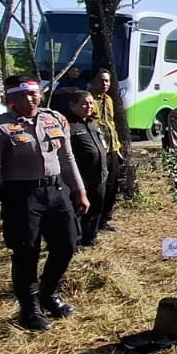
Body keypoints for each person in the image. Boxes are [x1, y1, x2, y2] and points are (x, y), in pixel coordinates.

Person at [0, 77, 89, 331]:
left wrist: (79, 190)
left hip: (56, 190)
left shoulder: (54, 119)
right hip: (21, 195)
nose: (32, 99)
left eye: (35, 93)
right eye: (25, 95)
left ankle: (48, 293)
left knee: (68, 244)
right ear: (12, 99)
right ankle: (29, 309)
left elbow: (67, 157)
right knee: (27, 252)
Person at [56, 90, 109, 248]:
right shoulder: (68, 125)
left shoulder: (93, 123)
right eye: (84, 103)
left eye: (91, 103)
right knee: (78, 211)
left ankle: (90, 238)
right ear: (72, 105)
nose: (89, 106)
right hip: (80, 178)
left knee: (96, 208)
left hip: (99, 175)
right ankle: (75, 240)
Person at [89, 69, 124, 234]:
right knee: (97, 188)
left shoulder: (108, 99)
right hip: (98, 152)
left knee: (112, 187)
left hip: (112, 149)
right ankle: (91, 225)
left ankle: (105, 220)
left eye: (107, 81)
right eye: (102, 80)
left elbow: (111, 124)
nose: (105, 84)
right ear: (93, 81)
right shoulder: (87, 99)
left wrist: (117, 149)